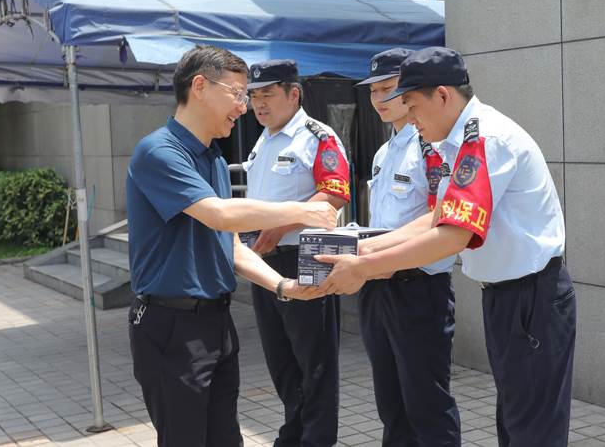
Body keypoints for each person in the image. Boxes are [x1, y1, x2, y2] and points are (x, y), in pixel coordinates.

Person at [316, 46, 575, 447]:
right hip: (507, 296)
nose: (410, 117)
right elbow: (436, 217)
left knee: (531, 430)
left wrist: (365, 267)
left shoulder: (484, 139)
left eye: (412, 105)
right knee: (515, 422)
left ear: (441, 95)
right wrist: (364, 251)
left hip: (530, 296)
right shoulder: (457, 143)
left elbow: (454, 235)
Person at [126, 45, 332, 447]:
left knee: (226, 438)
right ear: (199, 87)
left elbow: (231, 244)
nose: (244, 107)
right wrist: (301, 210)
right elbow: (219, 214)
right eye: (237, 94)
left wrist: (283, 286)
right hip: (172, 325)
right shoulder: (159, 152)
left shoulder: (214, 160)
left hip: (216, 322)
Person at [353, 48, 460, 446]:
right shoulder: (384, 152)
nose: (379, 99)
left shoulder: (432, 147)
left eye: (388, 89)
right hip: (376, 286)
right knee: (391, 404)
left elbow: (439, 215)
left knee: (427, 405)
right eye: (373, 91)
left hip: (418, 289)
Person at [242, 59, 350, 447]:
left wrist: (277, 228)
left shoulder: (316, 136)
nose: (259, 104)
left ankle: (316, 439)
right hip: (265, 260)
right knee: (280, 357)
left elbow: (336, 192)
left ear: (294, 94)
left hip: (305, 257)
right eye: (254, 96)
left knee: (314, 360)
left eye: (268, 94)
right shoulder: (263, 140)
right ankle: (295, 431)